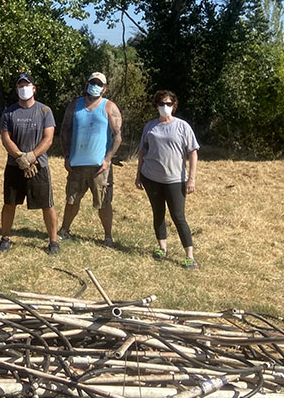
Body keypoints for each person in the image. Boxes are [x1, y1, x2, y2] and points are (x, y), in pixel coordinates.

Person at [135, 89, 200, 269]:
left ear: (174, 105)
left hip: (175, 180)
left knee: (178, 216)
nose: (165, 107)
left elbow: (193, 153)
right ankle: (162, 248)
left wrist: (191, 179)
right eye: (162, 104)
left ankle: (190, 256)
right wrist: (138, 174)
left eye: (168, 104)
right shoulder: (150, 127)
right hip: (151, 177)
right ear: (156, 106)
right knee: (158, 213)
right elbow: (142, 151)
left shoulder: (182, 126)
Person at [59, 71, 123, 247]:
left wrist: (108, 159)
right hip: (76, 164)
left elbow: (118, 136)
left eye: (99, 84)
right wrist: (66, 156)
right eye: (92, 82)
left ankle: (108, 237)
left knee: (104, 202)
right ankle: (64, 231)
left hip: (99, 167)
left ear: (104, 89)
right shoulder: (75, 105)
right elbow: (64, 130)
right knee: (71, 200)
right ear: (87, 84)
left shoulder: (109, 107)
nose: (95, 86)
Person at [0, 73, 58, 255]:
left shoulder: (45, 111)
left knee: (47, 204)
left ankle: (53, 242)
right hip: (14, 166)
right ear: (17, 89)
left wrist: (31, 157)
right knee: (9, 203)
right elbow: (5, 138)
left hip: (38, 166)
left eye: (27, 85)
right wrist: (20, 158)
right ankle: (5, 238)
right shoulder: (9, 112)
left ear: (34, 88)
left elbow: (48, 139)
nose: (23, 88)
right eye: (20, 85)